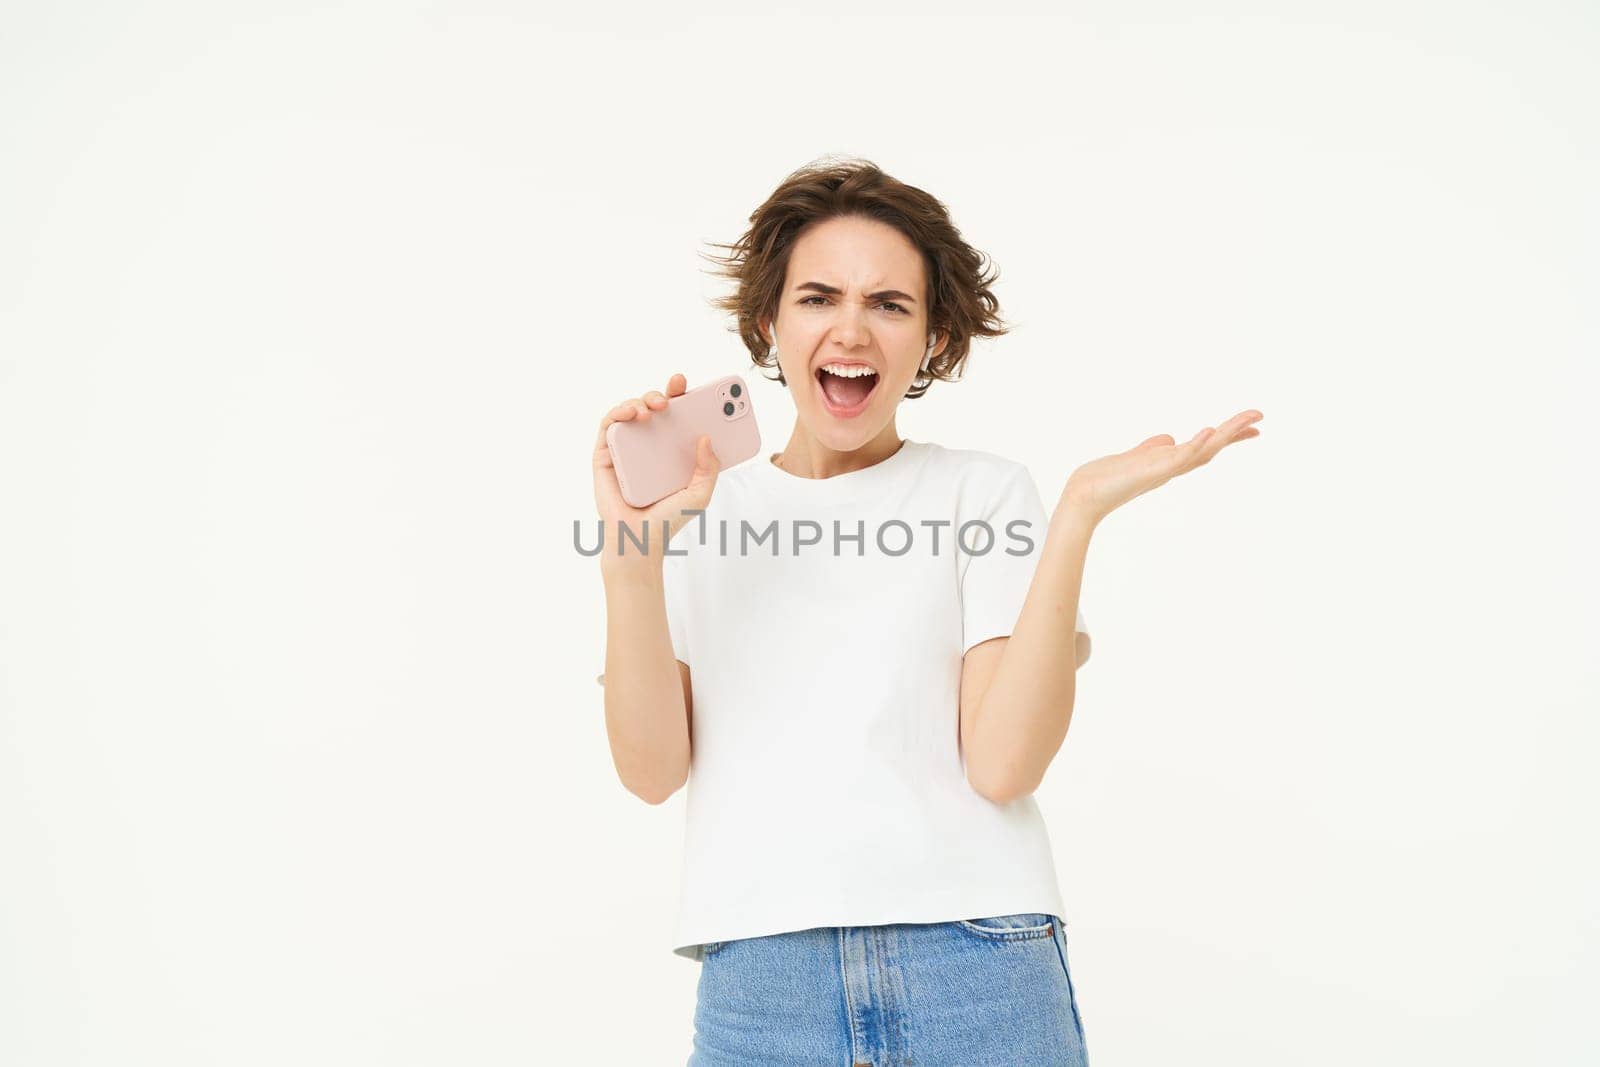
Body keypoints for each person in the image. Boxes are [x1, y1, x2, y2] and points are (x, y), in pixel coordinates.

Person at [592, 158, 1262, 1066]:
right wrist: (631, 557)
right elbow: (650, 770)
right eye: (819, 297)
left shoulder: (981, 494)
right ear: (769, 322)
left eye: (891, 304)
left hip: (978, 964)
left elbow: (1002, 763)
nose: (852, 329)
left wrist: (1074, 518)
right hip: (762, 984)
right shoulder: (695, 511)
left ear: (934, 341)